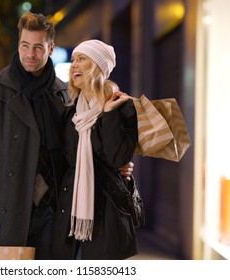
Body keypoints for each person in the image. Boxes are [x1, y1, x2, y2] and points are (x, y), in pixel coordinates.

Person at [0, 12, 134, 260]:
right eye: (24, 45)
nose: (30, 54)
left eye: (37, 47)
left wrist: (117, 166)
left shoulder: (64, 93)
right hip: (6, 207)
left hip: (55, 210)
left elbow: (81, 147)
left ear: (51, 48)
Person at [52, 39, 140, 260]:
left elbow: (118, 157)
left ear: (98, 66)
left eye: (82, 59)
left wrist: (109, 113)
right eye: (73, 60)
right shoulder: (70, 112)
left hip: (106, 215)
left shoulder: (123, 107)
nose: (74, 65)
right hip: (71, 216)